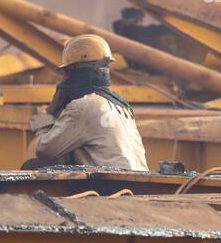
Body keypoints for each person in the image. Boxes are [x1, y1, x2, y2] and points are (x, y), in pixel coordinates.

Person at [26, 34, 148, 170]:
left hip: (113, 186)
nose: (64, 79)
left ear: (78, 73)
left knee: (33, 166)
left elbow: (45, 150)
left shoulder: (84, 106)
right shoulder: (122, 106)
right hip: (138, 182)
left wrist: (49, 112)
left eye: (67, 73)